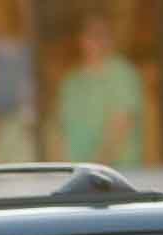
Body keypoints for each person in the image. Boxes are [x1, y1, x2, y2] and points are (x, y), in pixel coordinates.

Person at [57, 13, 144, 167]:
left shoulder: (121, 74)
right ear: (81, 39)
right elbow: (61, 133)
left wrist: (97, 170)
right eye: (91, 35)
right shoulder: (71, 83)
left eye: (102, 35)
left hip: (116, 176)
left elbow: (121, 125)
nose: (97, 41)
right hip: (75, 178)